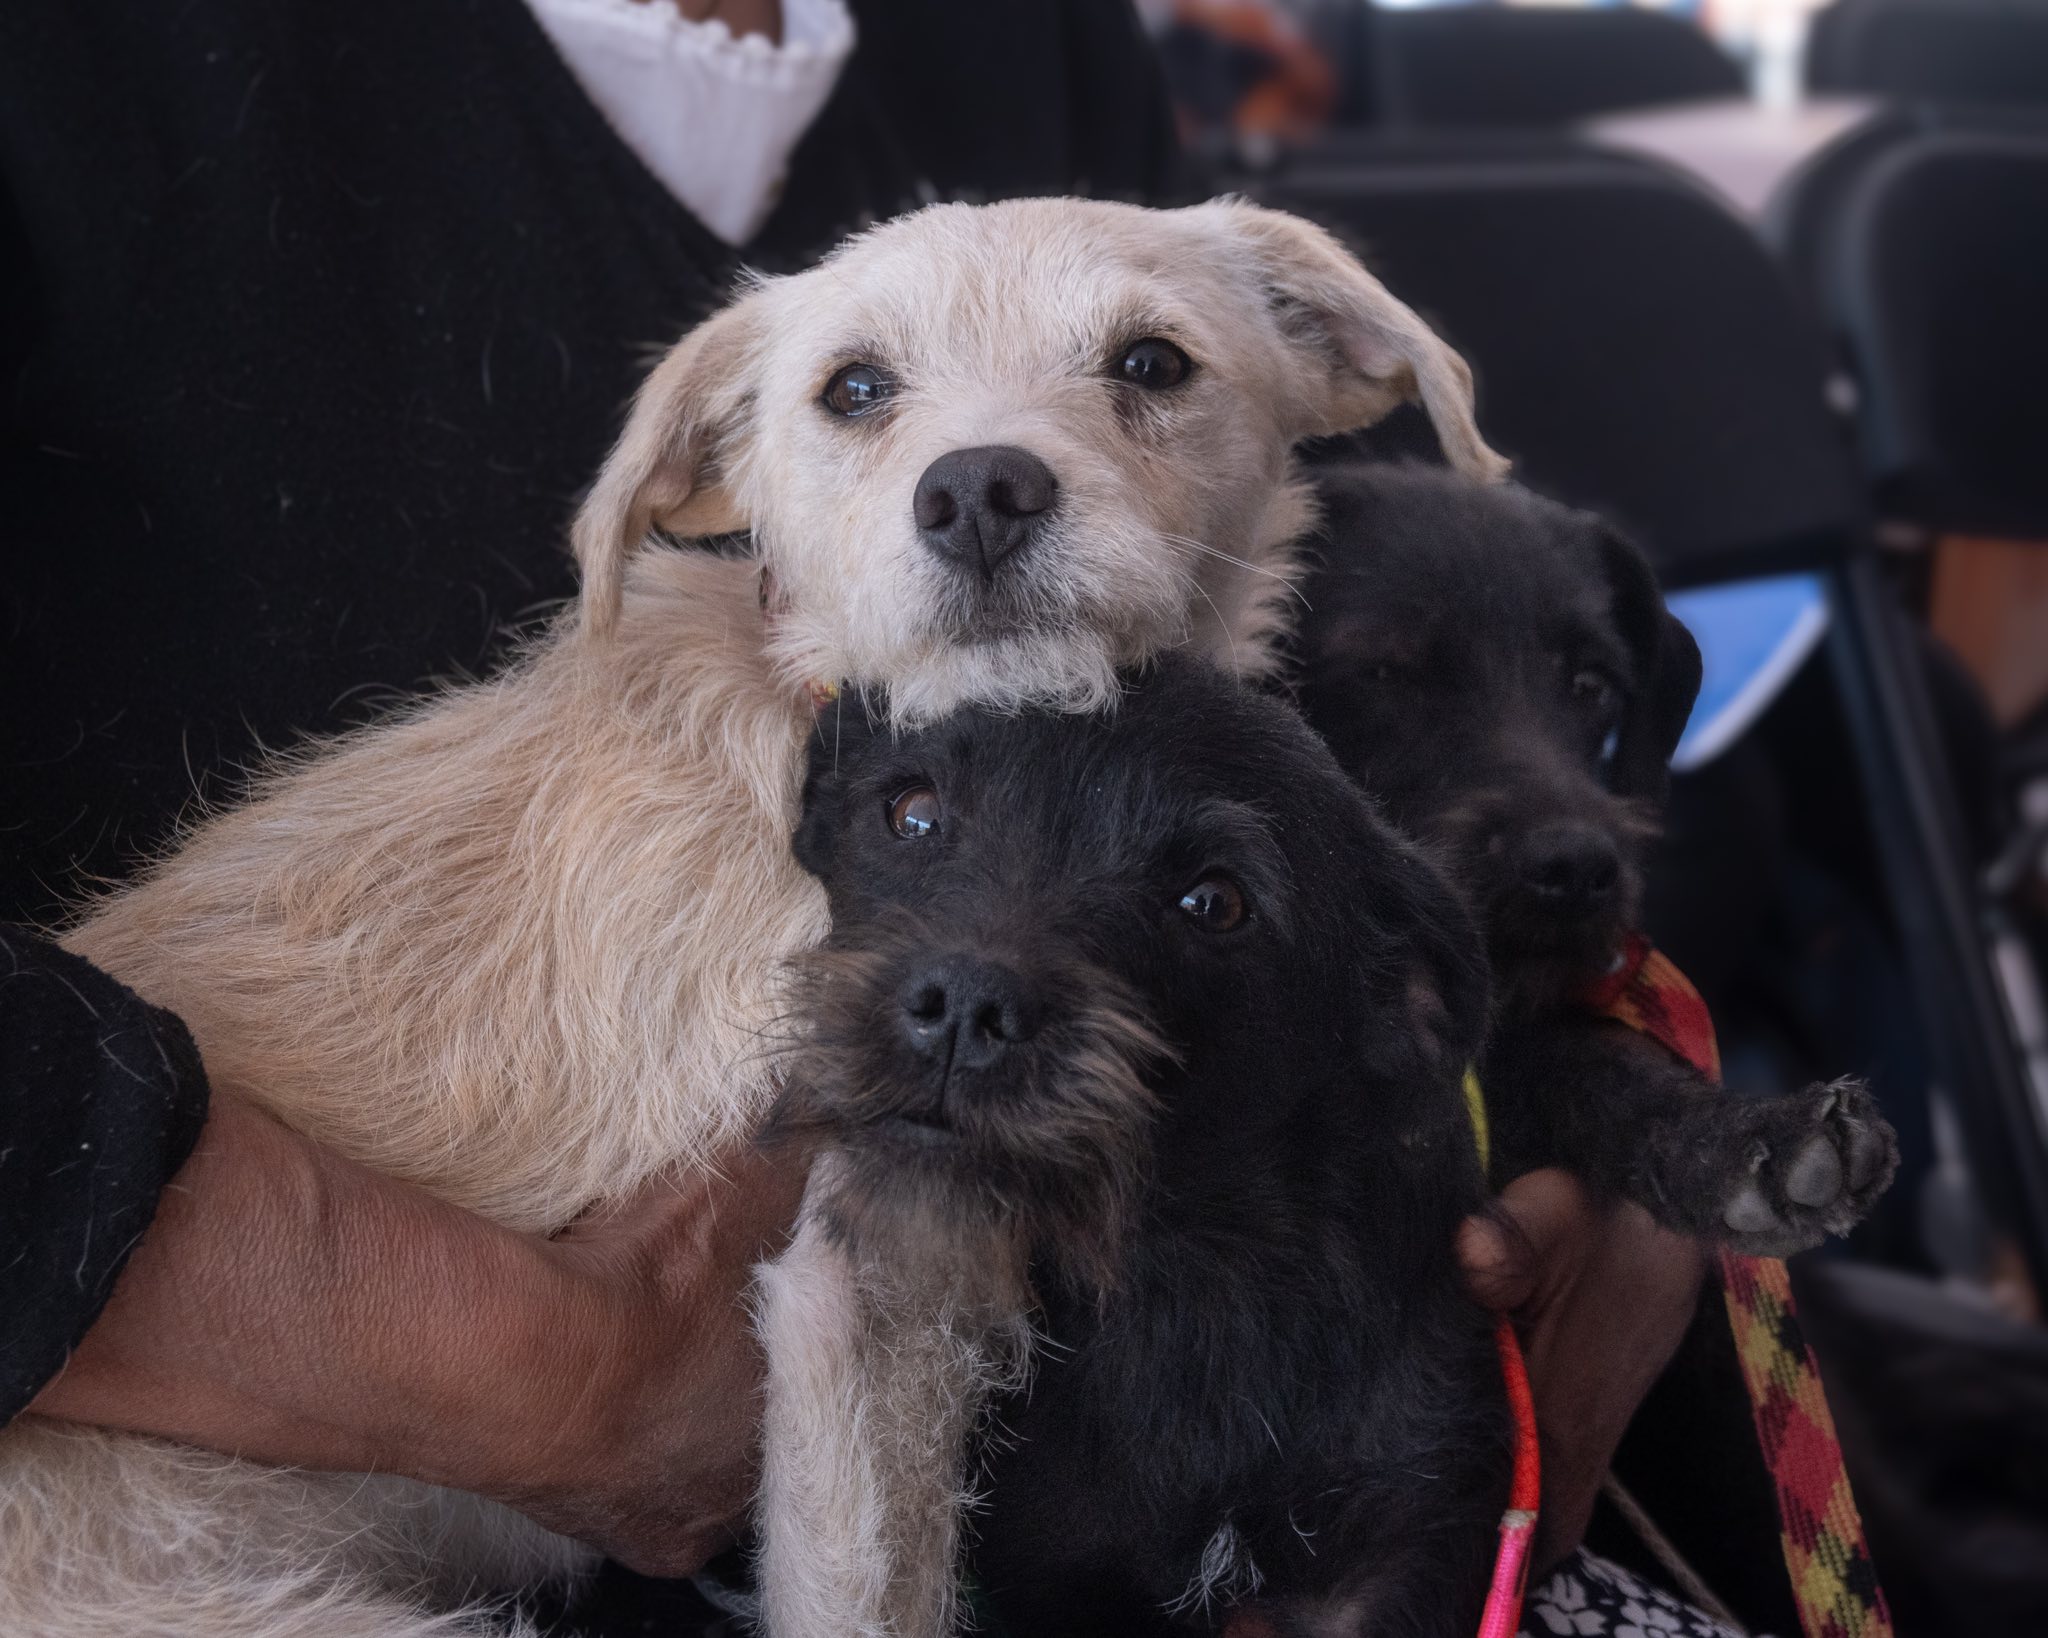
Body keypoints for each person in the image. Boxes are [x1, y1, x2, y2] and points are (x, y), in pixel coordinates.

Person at [1, 0, 1705, 1628]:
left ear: (1340, 368)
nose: (988, 477)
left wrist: (1583, 1112)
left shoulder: (1034, 35)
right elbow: (852, 1316)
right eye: (863, 398)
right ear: (695, 485)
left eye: (1139, 362)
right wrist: (554, 1371)